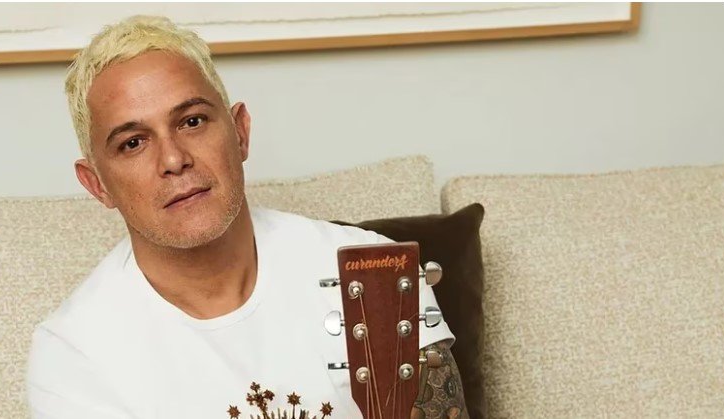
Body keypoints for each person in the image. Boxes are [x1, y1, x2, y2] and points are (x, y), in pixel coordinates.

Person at [27, 15, 468, 419]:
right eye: (133, 143)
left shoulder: (376, 269)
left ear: (240, 132)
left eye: (192, 121)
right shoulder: (72, 355)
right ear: (97, 184)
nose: (174, 159)